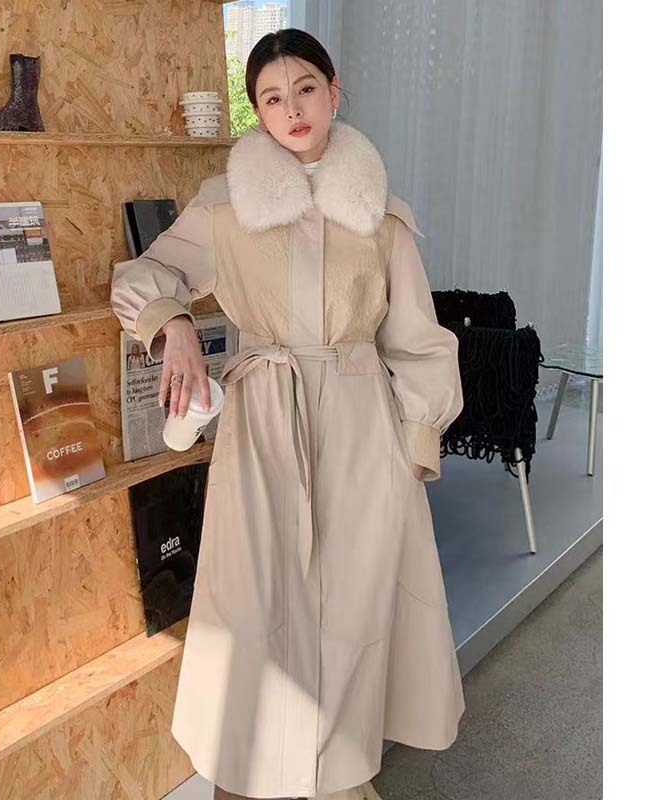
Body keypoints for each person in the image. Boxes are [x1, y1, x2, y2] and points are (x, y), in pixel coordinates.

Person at [110, 28, 465, 800]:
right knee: (258, 607)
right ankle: (249, 779)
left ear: (333, 92)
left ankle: (338, 779)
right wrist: (173, 324)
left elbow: (420, 341)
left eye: (305, 88)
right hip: (264, 425)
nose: (292, 108)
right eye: (272, 98)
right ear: (258, 113)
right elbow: (144, 274)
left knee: (353, 612)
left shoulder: (381, 218)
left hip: (364, 431)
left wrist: (415, 445)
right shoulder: (225, 209)